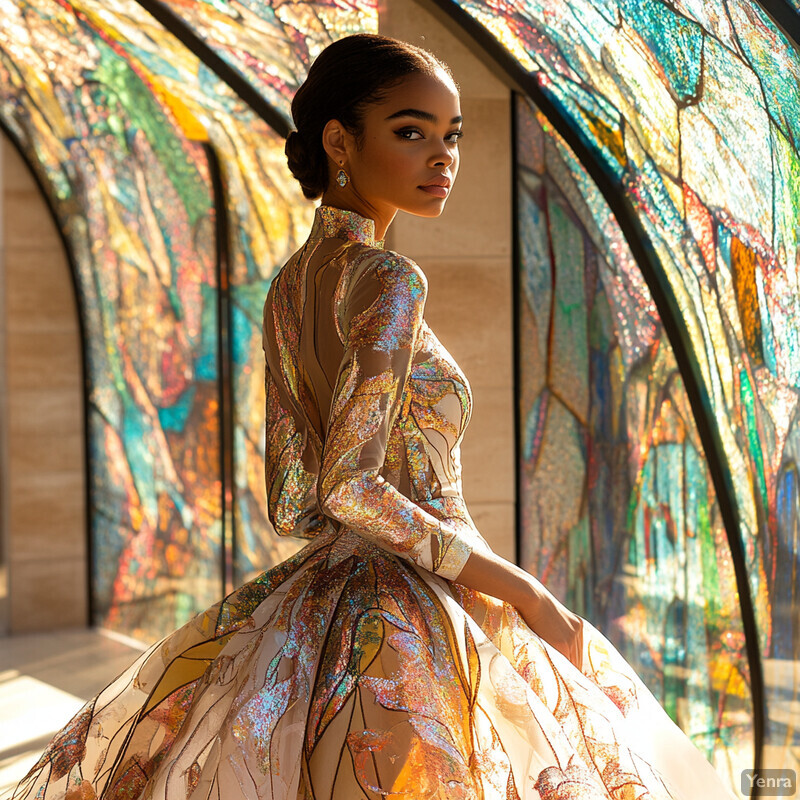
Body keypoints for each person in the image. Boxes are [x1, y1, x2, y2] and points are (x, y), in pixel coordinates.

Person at [12, 33, 735, 800]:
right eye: (412, 131)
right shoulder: (389, 278)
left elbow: (293, 501)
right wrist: (523, 591)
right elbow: (348, 488)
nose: (443, 157)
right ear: (339, 140)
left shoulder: (288, 290)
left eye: (452, 136)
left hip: (317, 607)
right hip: (412, 606)